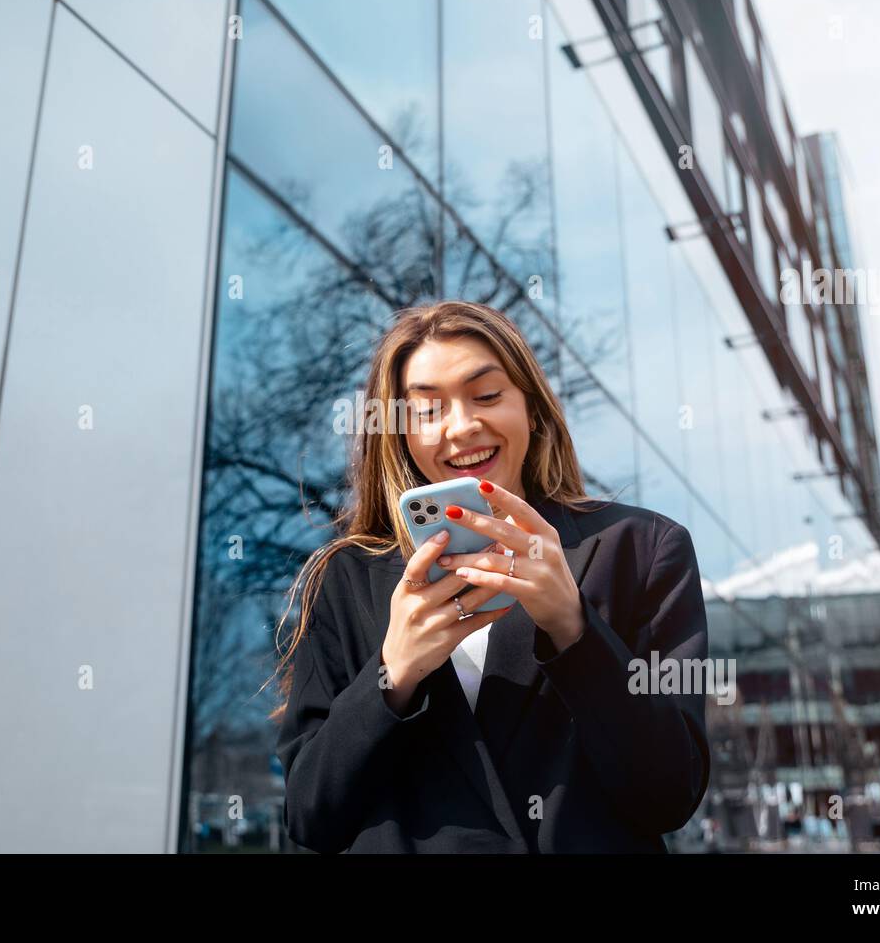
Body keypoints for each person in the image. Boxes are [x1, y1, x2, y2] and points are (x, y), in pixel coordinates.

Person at [267, 299, 710, 852]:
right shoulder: (346, 580)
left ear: (532, 408)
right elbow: (312, 817)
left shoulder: (641, 550)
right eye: (428, 411)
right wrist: (393, 674)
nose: (463, 426)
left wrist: (574, 629)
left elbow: (669, 795)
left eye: (487, 395)